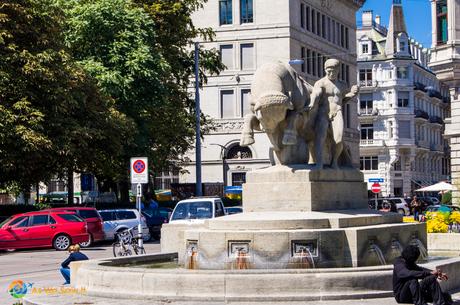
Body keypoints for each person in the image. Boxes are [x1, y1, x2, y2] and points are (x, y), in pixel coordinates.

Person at [307, 58, 359, 169]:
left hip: (337, 112)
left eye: (334, 71)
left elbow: (342, 100)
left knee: (339, 139)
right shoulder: (321, 83)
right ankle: (319, 162)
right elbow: (316, 94)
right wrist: (312, 102)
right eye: (328, 71)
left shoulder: (342, 85)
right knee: (320, 137)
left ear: (338, 70)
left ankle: (334, 161)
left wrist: (353, 93)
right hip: (324, 112)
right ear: (325, 70)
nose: (331, 73)